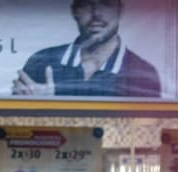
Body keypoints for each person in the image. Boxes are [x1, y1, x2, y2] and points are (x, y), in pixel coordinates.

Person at [14, 0, 161, 98]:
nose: (96, 13)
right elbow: (15, 127)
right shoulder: (41, 62)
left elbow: (142, 131)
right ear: (74, 11)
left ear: (120, 10)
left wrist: (55, 101)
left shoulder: (143, 73)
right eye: (86, 3)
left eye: (106, 3)